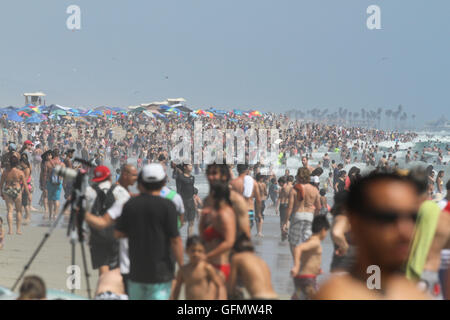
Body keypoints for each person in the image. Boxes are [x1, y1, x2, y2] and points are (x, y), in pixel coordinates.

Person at [315, 172, 429, 299]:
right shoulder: (337, 295)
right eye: (388, 218)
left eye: (413, 217)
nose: (406, 232)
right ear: (356, 222)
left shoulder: (412, 292)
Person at [114, 164, 184, 300]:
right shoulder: (168, 206)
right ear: (163, 182)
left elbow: (118, 233)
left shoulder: (130, 204)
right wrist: (182, 266)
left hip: (136, 269)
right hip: (161, 271)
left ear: (141, 182)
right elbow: (175, 240)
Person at [85, 164, 138, 285]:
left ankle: (104, 292)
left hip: (97, 233)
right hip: (116, 233)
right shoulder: (118, 190)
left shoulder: (89, 191)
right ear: (109, 177)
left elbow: (84, 213)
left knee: (103, 268)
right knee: (116, 269)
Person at [199, 181, 236, 283]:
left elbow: (229, 242)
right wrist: (203, 219)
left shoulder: (225, 214)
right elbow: (203, 236)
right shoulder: (212, 213)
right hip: (207, 264)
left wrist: (208, 255)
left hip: (220, 266)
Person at [172, 235, 225, 300]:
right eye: (193, 250)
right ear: (186, 251)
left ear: (204, 252)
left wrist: (220, 297)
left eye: (200, 251)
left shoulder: (206, 268)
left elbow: (220, 285)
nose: (196, 254)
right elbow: (177, 288)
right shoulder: (183, 270)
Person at [290, 215, 330, 300]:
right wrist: (296, 266)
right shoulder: (315, 242)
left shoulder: (309, 240)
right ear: (323, 230)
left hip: (301, 278)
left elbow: (307, 258)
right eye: (326, 231)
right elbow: (298, 248)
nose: (326, 234)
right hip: (308, 279)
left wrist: (316, 269)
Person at [283, 168, 321, 256]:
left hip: (298, 215)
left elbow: (290, 207)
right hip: (309, 216)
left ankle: (296, 261)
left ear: (298, 176)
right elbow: (318, 207)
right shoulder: (314, 189)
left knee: (293, 241)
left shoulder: (295, 189)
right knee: (307, 240)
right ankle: (305, 260)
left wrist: (286, 222)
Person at [0, 151, 31, 235]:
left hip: (7, 189)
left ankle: (10, 230)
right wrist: (28, 195)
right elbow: (25, 184)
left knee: (9, 211)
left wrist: (1, 193)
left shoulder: (5, 172)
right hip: (17, 190)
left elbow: (1, 183)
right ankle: (18, 230)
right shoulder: (20, 172)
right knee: (18, 211)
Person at [230, 164, 261, 234]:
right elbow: (258, 199)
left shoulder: (233, 183)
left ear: (237, 170)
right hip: (249, 210)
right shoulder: (253, 182)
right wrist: (258, 213)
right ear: (247, 170)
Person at [176, 163, 196, 237]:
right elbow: (178, 191)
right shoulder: (180, 177)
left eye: (191, 165)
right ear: (185, 167)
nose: (191, 167)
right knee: (183, 222)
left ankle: (190, 241)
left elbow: (192, 190)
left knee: (191, 222)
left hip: (191, 202)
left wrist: (195, 201)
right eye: (190, 165)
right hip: (183, 202)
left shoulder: (192, 177)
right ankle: (170, 234)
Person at [45, 149, 64, 220]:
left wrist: (43, 183)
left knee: (50, 199)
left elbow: (45, 174)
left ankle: (50, 214)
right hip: (59, 183)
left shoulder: (48, 163)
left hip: (50, 182)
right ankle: (55, 215)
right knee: (57, 199)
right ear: (59, 154)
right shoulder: (62, 164)